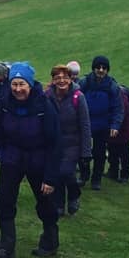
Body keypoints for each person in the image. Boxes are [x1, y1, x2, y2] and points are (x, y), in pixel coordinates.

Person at [0, 62, 61, 258]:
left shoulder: (44, 105)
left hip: (38, 158)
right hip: (12, 157)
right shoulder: (5, 104)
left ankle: (50, 241)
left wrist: (50, 177)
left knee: (45, 202)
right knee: (5, 200)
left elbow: (55, 143)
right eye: (14, 84)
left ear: (30, 84)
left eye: (21, 84)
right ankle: (6, 246)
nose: (17, 89)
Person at [44, 64, 91, 217]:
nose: (62, 81)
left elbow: (85, 125)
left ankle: (74, 195)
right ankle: (58, 205)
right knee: (56, 174)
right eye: (58, 78)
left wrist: (86, 152)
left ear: (71, 79)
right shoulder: (47, 96)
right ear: (53, 80)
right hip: (53, 143)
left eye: (65, 77)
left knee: (66, 173)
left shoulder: (78, 97)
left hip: (72, 144)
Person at [78, 55, 123, 190]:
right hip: (85, 122)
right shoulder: (84, 82)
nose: (101, 70)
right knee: (83, 151)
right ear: (93, 68)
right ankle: (84, 175)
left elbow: (118, 107)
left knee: (100, 153)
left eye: (104, 68)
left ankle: (96, 179)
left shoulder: (112, 86)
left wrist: (115, 125)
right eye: (98, 67)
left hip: (103, 124)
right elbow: (75, 99)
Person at [108, 80, 129, 184]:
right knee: (114, 149)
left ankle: (123, 174)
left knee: (122, 151)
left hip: (122, 127)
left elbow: (121, 112)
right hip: (117, 126)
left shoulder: (120, 96)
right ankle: (115, 171)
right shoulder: (118, 93)